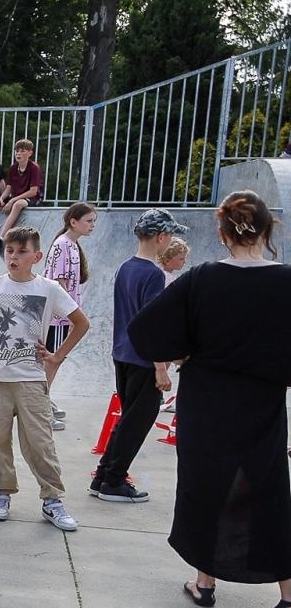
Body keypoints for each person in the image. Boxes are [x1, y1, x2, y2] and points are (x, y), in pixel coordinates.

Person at [127, 191, 291, 608]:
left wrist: (183, 350)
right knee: (270, 488)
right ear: (268, 230)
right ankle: (288, 595)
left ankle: (205, 583)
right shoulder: (286, 281)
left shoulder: (201, 278)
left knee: (207, 485)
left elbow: (144, 329)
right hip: (262, 403)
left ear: (221, 234)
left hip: (207, 401)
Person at [0, 226, 91, 531]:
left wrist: (57, 356)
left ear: (37, 256)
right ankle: (1, 493)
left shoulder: (48, 289)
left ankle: (52, 499)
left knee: (40, 442)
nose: (14, 257)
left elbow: (81, 323)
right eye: (9, 251)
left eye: (21, 252)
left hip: (31, 379)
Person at [90, 209, 184, 504]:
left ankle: (103, 475)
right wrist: (161, 367)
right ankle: (114, 481)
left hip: (122, 354)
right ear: (161, 237)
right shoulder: (153, 274)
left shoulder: (125, 267)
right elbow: (151, 323)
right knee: (138, 421)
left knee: (128, 418)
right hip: (144, 359)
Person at [41, 203, 98, 427]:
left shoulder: (72, 245)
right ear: (73, 222)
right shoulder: (62, 245)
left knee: (55, 359)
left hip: (65, 315)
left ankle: (43, 398)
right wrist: (73, 314)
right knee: (52, 360)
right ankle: (40, 407)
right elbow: (59, 283)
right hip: (58, 317)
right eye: (89, 221)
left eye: (93, 221)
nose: (92, 225)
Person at [0, 139, 44, 256]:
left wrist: (13, 200)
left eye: (22, 151)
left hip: (33, 198)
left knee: (18, 204)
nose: (18, 154)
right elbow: (8, 188)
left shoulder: (34, 168)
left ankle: (1, 239)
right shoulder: (13, 168)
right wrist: (2, 198)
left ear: (30, 153)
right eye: (17, 151)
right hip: (16, 197)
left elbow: (33, 191)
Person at [156, 237, 191, 414]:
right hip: (166, 327)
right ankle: (157, 393)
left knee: (168, 360)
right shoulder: (165, 278)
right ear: (168, 258)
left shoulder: (168, 276)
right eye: (181, 259)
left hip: (168, 326)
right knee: (167, 360)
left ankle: (158, 394)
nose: (184, 262)